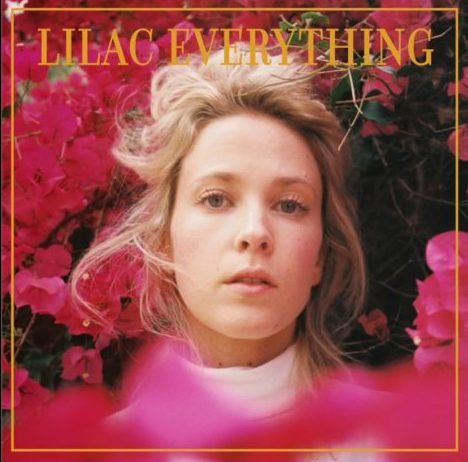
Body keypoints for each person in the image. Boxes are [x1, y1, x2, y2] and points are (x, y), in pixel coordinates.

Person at [70, 51, 369, 454]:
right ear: (163, 241)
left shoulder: (407, 442)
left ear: (319, 255)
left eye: (289, 205)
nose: (254, 232)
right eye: (215, 199)